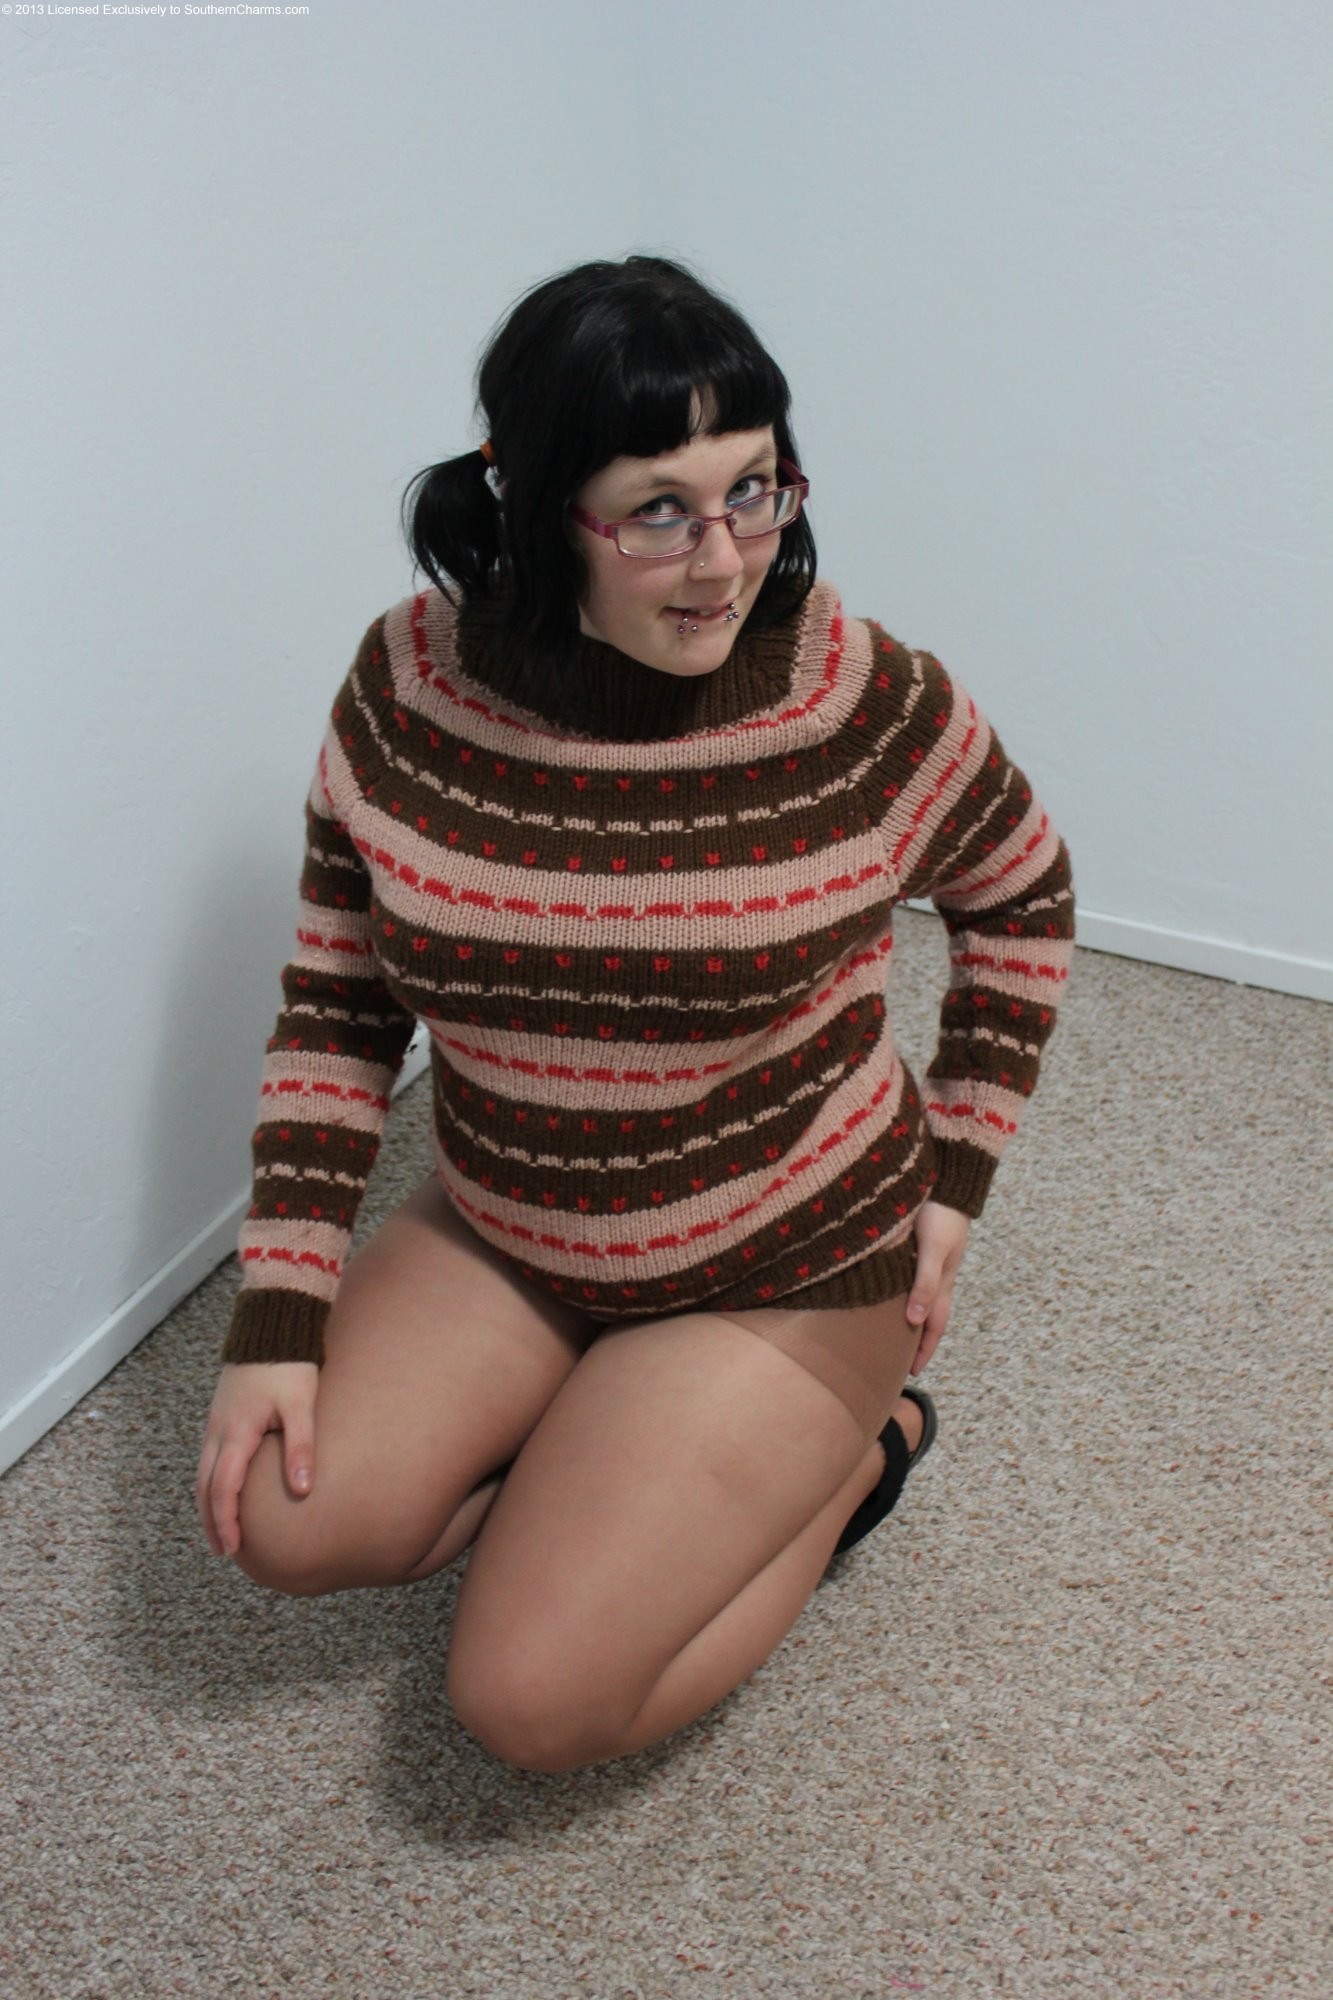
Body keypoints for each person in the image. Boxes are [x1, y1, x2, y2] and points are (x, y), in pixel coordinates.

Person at [195, 254, 1075, 1773]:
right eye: (658, 509)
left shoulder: (858, 699)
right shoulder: (405, 685)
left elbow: (1023, 897)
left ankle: (856, 1457)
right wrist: (278, 1311)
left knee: (532, 1705)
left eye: (754, 490)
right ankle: (606, 1458)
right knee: (280, 1524)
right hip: (511, 1224)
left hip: (791, 1261)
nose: (724, 559)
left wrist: (958, 1170)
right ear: (539, 508)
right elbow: (338, 1009)